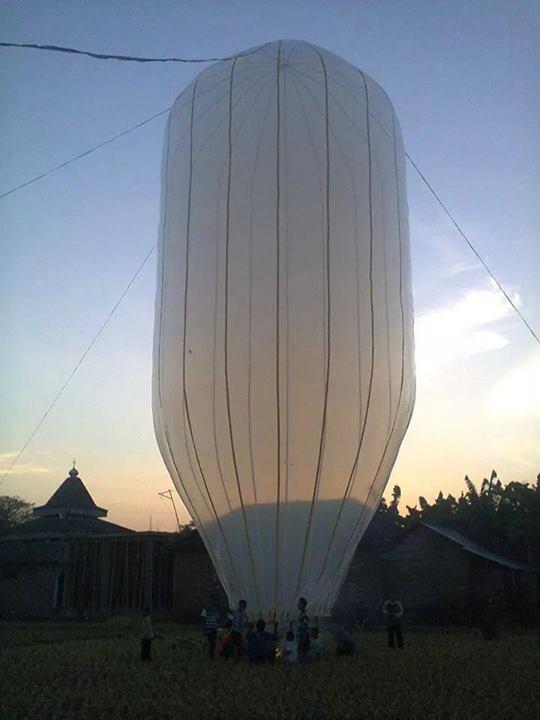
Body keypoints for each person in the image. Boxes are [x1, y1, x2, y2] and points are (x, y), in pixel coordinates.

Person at [296, 597, 311, 662]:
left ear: (303, 604)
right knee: (304, 652)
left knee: (302, 652)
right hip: (304, 636)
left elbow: (304, 626)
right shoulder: (302, 614)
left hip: (303, 636)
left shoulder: (303, 615)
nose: (298, 604)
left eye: (299, 603)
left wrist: (302, 637)